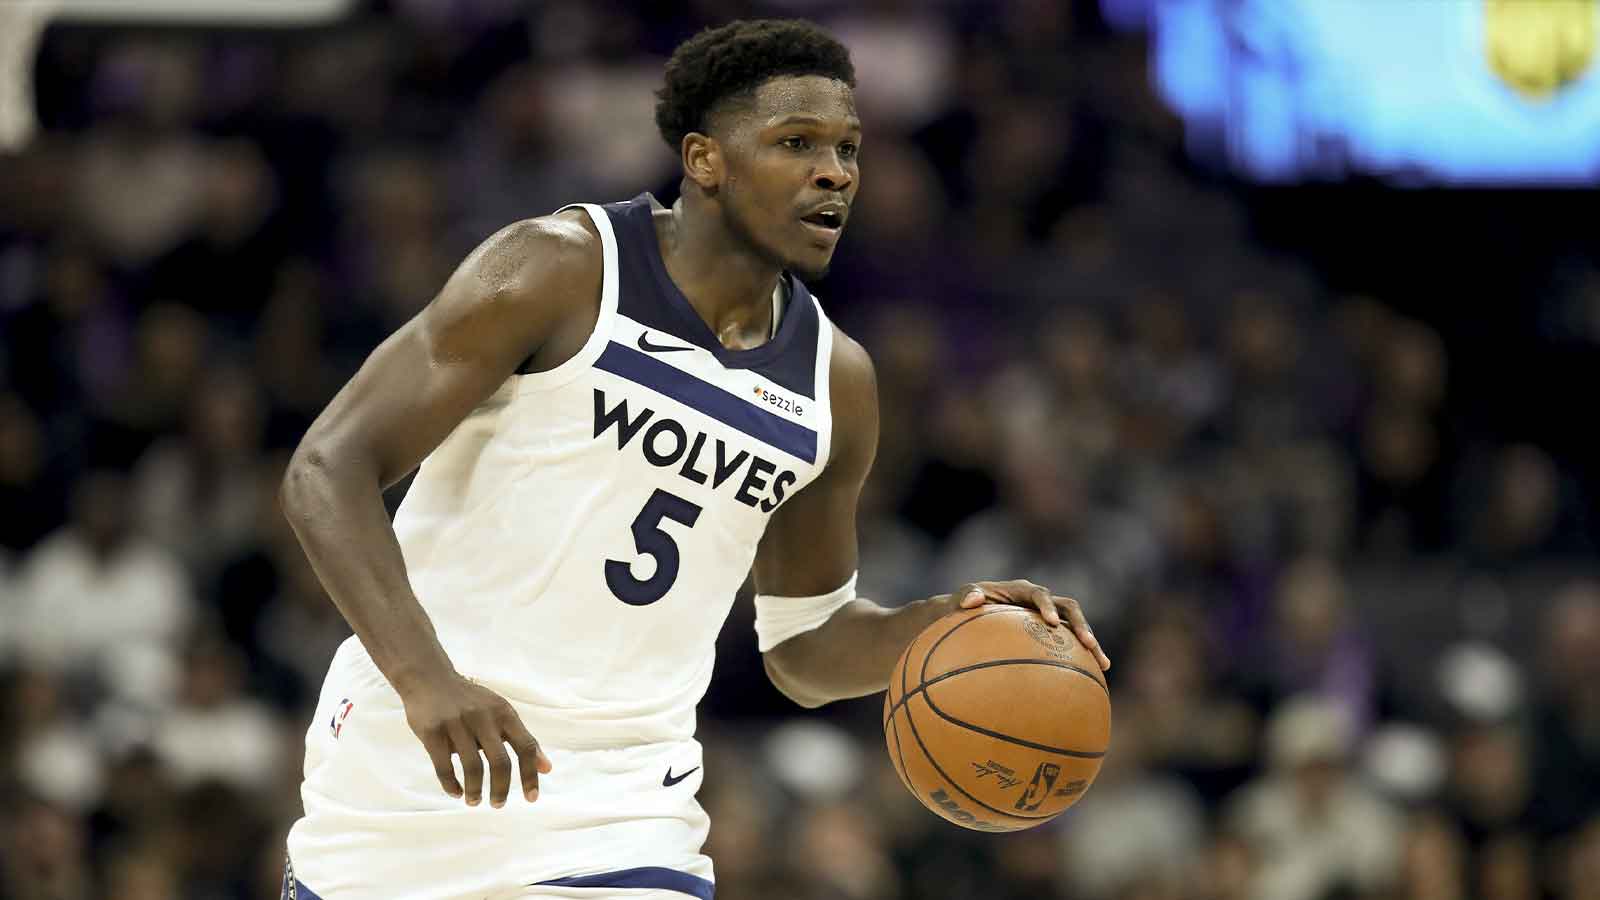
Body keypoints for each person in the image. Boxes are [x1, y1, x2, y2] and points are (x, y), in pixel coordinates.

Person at [278, 19, 1110, 900]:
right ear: (705, 159)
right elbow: (327, 470)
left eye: (849, 150)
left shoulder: (837, 379)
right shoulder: (559, 271)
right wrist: (427, 680)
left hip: (629, 799)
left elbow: (805, 645)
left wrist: (946, 627)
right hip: (418, 755)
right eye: (797, 143)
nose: (836, 173)